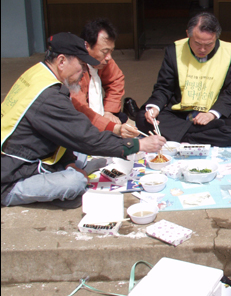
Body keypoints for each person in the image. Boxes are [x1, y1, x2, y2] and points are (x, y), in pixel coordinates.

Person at [1, 33, 166, 208]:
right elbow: (87, 137)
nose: (84, 72)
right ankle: (12, 193)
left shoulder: (38, 73)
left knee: (79, 154)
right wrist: (137, 145)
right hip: (11, 173)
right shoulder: (49, 97)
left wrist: (69, 162)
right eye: (81, 65)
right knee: (75, 182)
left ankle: (66, 167)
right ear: (62, 61)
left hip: (29, 149)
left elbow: (58, 131)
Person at [136, 12, 231, 147]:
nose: (202, 49)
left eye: (209, 44)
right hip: (179, 113)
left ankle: (177, 136)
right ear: (188, 34)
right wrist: (155, 108)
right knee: (142, 118)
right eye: (198, 43)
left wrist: (211, 114)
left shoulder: (228, 51)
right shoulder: (174, 50)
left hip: (209, 114)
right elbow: (164, 87)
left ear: (217, 37)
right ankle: (193, 136)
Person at [70, 18, 139, 138]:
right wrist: (111, 127)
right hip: (76, 117)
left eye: (111, 51)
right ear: (86, 46)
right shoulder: (73, 69)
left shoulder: (103, 60)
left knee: (120, 119)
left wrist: (109, 111)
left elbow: (116, 80)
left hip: (97, 112)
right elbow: (81, 109)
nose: (108, 57)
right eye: (105, 51)